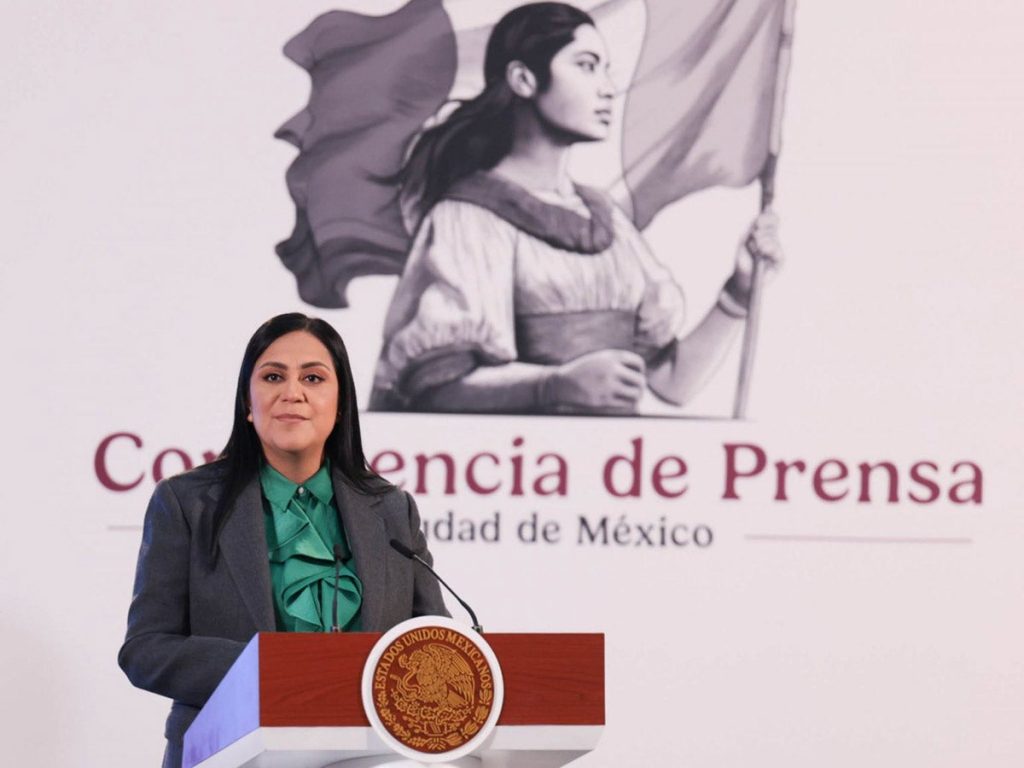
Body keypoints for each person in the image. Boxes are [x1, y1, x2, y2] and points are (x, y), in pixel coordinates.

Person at [370, 2, 782, 415]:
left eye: (606, 69)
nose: (607, 88)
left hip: (614, 454)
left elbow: (673, 383)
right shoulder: (468, 218)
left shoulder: (608, 220)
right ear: (523, 79)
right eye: (586, 66)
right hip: (520, 455)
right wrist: (554, 385)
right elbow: (436, 389)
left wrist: (739, 291)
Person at [118, 313, 448, 768]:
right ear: (247, 402)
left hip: (371, 756)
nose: (293, 392)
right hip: (229, 753)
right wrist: (262, 672)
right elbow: (146, 650)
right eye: (273, 377)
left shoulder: (392, 510)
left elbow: (435, 646)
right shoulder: (186, 503)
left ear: (340, 403)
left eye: (313, 378)